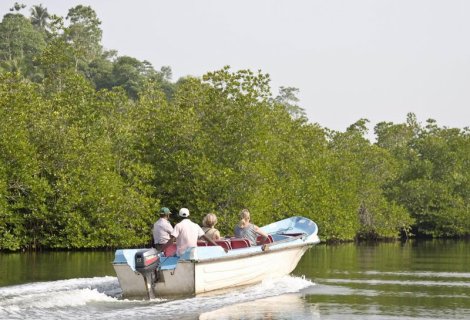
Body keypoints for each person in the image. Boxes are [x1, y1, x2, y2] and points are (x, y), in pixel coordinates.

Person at [162, 208, 228, 256]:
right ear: (189, 215)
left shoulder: (178, 226)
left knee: (172, 255)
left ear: (179, 216)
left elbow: (171, 240)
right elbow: (207, 238)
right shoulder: (196, 225)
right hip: (193, 254)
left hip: (181, 255)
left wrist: (161, 250)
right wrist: (219, 247)